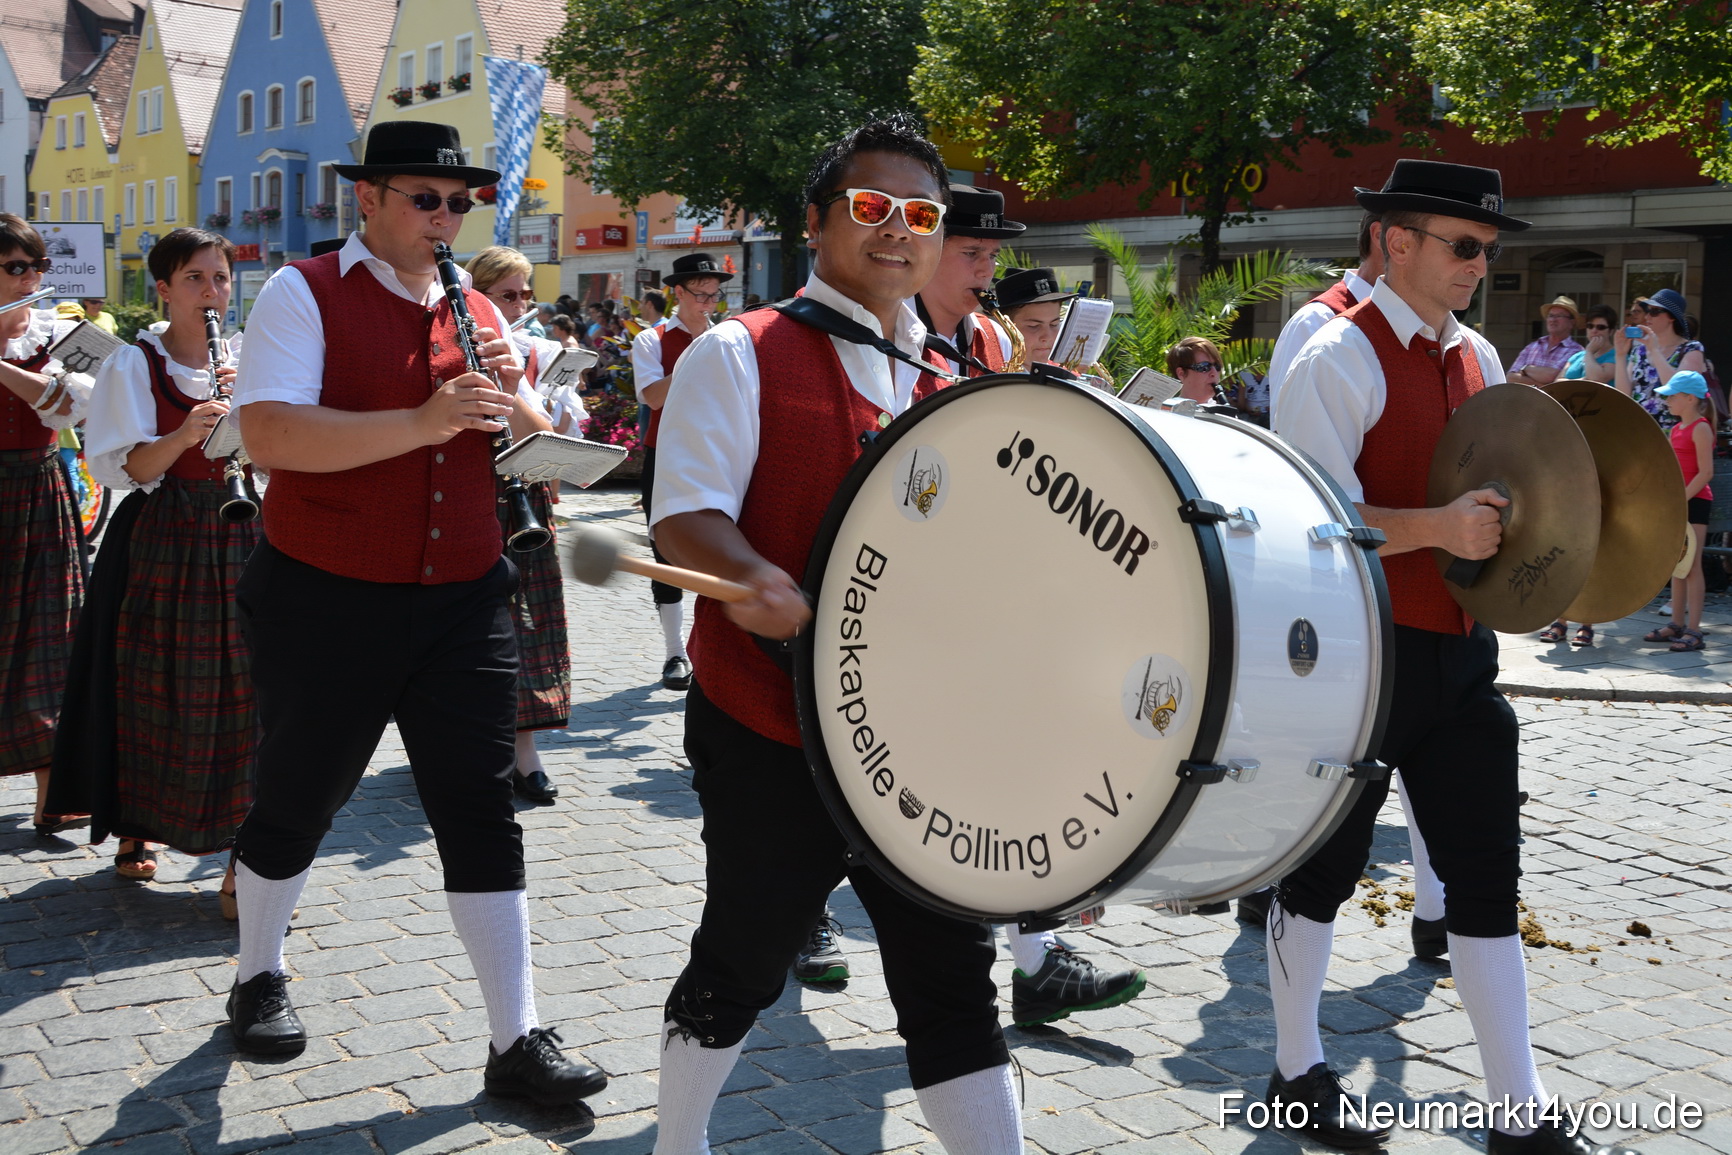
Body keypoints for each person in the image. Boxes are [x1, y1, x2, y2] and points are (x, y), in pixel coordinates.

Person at [648, 113, 1023, 1154]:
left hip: (922, 745)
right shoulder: (740, 351)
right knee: (744, 960)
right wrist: (754, 576)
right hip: (771, 726)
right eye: (870, 208)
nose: (897, 231)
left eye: (920, 214)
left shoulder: (952, 378)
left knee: (952, 982)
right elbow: (682, 512)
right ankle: (678, 1142)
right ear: (816, 224)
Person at [225, 120, 605, 1107]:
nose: (444, 216)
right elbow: (268, 434)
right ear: (369, 198)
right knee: (302, 794)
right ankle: (257, 973)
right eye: (423, 198)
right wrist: (424, 421)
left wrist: (526, 411)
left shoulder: (476, 303)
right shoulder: (300, 293)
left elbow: (515, 445)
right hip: (326, 591)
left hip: (464, 594)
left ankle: (514, 1037)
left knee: (480, 811)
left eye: (457, 202)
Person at [1274, 159, 1642, 1155]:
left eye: (1488, 249)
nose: (1480, 265)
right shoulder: (1333, 355)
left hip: (1462, 659)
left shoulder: (1479, 356)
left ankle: (1516, 1109)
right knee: (1323, 871)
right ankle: (1296, 1069)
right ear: (1396, 242)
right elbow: (1305, 522)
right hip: (1357, 658)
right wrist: (1437, 525)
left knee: (1483, 877)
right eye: (1463, 246)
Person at [45, 227, 257, 899]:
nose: (212, 291)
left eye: (220, 277)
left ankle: (241, 845)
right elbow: (124, 466)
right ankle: (138, 821)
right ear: (163, 289)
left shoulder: (248, 357)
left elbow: (277, 456)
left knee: (244, 690)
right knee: (151, 679)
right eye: (195, 278)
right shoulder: (134, 363)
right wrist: (186, 430)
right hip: (163, 530)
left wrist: (246, 419)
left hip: (241, 529)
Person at [467, 245, 570, 805]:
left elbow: (539, 430)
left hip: (521, 500)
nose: (522, 304)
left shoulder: (524, 350)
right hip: (464, 500)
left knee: (529, 626)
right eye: (509, 294)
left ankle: (524, 753)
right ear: (478, 295)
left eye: (526, 293)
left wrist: (507, 381)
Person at [0, 214, 91, 838]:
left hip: (36, 488)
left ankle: (50, 794)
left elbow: (69, 406)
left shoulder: (66, 330)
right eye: (16, 269)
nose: (32, 278)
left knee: (49, 637)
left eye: (36, 267)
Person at [633, 253, 730, 692]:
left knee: (725, 548)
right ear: (678, 292)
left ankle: (715, 649)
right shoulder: (653, 339)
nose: (709, 303)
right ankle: (675, 652)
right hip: (668, 455)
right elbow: (653, 396)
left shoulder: (728, 339)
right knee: (665, 554)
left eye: (714, 295)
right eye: (701, 294)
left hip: (717, 453)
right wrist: (697, 355)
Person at [1265, 212, 1383, 414]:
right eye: (1451, 245)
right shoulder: (1316, 321)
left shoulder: (1441, 331)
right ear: (1382, 237)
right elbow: (1292, 435)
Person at [1644, 370, 1715, 654]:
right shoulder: (1676, 429)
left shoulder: (1701, 427)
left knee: (1693, 567)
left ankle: (1694, 630)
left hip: (1696, 503)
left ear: (1689, 398)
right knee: (1678, 564)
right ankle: (1676, 624)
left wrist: (1681, 499)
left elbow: (1706, 473)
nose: (1667, 400)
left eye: (1672, 395)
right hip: (1678, 503)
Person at [914, 184, 1019, 377]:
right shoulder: (886, 330)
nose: (987, 271)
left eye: (993, 256)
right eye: (971, 253)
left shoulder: (998, 337)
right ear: (929, 251)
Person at [1615, 288, 1707, 423]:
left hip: (1672, 433)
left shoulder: (1691, 349)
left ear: (1672, 317)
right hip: (1638, 428)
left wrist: (1654, 351)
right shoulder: (1639, 351)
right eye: (1647, 311)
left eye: (1654, 311)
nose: (1647, 317)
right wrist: (1620, 355)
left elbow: (1678, 389)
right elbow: (1623, 395)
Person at [994, 265, 1075, 367]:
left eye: (1054, 324)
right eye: (1034, 326)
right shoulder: (986, 376)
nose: (1047, 337)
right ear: (1004, 326)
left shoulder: (1063, 371)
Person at [1507, 296, 1583, 386]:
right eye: (1551, 315)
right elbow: (1510, 377)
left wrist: (1525, 369)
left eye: (1559, 316)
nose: (1553, 320)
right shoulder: (1532, 347)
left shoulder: (1576, 351)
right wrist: (1540, 385)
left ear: (1572, 322)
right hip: (1525, 399)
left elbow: (1552, 376)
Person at [1560, 304, 1618, 384]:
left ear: (1611, 331)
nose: (1594, 330)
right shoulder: (1577, 356)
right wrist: (1581, 381)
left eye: (1600, 327)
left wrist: (1589, 352)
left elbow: (1598, 379)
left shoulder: (1618, 357)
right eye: (1590, 326)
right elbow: (1557, 381)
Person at [1167, 336, 1225, 402]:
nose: (1214, 373)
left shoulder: (1221, 411)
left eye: (1217, 366)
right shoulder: (1167, 411)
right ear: (1181, 374)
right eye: (1204, 367)